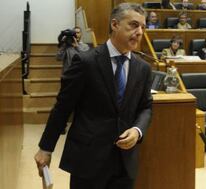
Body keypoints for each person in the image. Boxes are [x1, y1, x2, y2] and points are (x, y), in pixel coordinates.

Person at [34, 3, 153, 189]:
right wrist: (46, 148)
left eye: (143, 27)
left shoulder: (143, 68)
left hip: (125, 162)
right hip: (88, 160)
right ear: (115, 25)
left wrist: (138, 130)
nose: (139, 32)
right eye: (133, 25)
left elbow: (146, 107)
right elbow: (63, 108)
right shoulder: (85, 61)